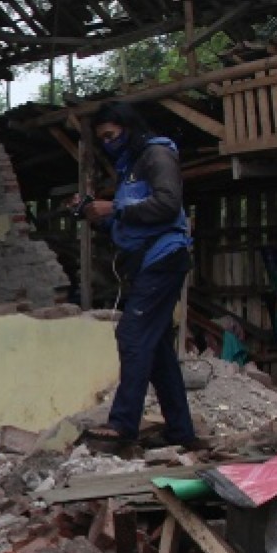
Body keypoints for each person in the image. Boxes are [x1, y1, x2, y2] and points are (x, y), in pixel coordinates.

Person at [76, 101, 198, 452]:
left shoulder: (156, 155)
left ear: (128, 128)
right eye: (103, 139)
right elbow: (133, 219)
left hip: (164, 257)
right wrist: (96, 215)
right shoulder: (130, 166)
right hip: (147, 261)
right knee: (156, 347)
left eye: (111, 135)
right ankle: (181, 432)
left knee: (131, 335)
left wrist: (112, 207)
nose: (108, 143)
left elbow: (167, 203)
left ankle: (123, 424)